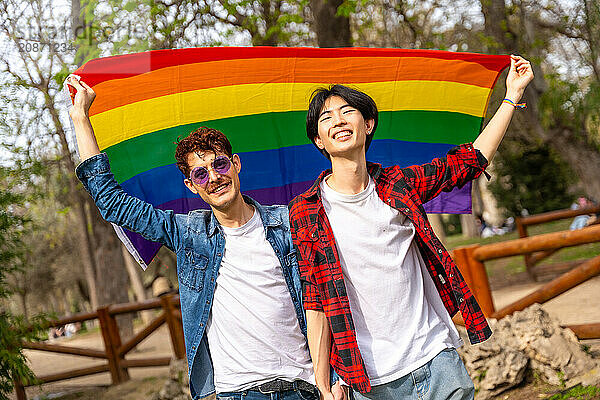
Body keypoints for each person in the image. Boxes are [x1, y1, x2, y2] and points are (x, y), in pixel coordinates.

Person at [67, 76, 344, 400]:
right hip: (238, 393)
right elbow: (114, 203)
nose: (214, 177)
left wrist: (333, 378)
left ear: (236, 164)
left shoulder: (288, 223)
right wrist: (80, 119)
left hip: (306, 388)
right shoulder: (190, 235)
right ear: (191, 186)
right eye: (200, 173)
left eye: (220, 164)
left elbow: (326, 297)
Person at [288, 55, 534, 400]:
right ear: (319, 140)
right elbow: (315, 299)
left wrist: (511, 96)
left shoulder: (399, 184)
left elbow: (470, 160)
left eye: (347, 112)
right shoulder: (306, 210)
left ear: (368, 124)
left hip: (436, 360)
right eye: (327, 117)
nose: (339, 121)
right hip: (369, 380)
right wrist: (323, 381)